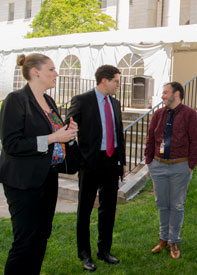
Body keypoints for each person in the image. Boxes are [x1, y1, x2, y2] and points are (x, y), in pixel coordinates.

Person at [0, 53, 78, 275]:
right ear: (36, 72)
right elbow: (11, 143)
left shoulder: (49, 101)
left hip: (47, 178)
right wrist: (54, 138)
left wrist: (68, 135)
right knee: (25, 241)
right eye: (52, 69)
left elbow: (55, 134)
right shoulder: (16, 100)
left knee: (42, 236)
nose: (57, 73)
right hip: (23, 182)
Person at [66, 65, 126, 272]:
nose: (119, 84)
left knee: (108, 209)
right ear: (104, 80)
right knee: (84, 210)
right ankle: (85, 254)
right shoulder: (82, 100)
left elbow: (119, 133)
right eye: (116, 81)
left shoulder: (115, 103)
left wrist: (122, 162)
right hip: (90, 163)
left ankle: (104, 251)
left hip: (111, 162)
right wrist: (79, 157)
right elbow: (68, 128)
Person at [145, 81, 197, 259]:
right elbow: (150, 137)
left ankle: (173, 241)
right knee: (162, 204)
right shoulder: (158, 114)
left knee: (176, 205)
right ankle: (163, 239)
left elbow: (196, 141)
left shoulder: (190, 115)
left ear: (176, 94)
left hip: (180, 166)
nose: (162, 96)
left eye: (165, 93)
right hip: (158, 165)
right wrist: (149, 159)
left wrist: (190, 164)